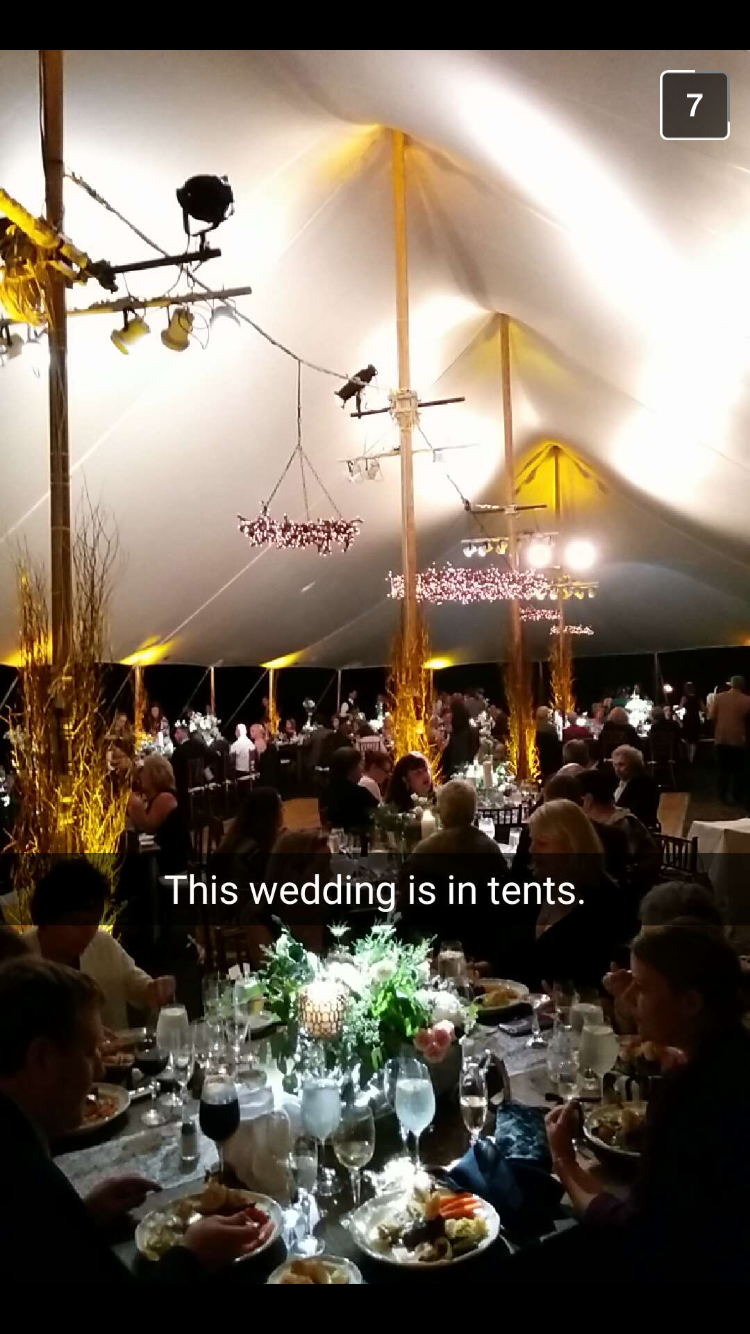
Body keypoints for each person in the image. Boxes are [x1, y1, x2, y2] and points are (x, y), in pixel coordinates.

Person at [0, 958, 271, 1286]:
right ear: (42, 1058)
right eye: (89, 1052)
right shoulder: (23, 1178)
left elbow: (44, 1250)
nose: (100, 1070)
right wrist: (191, 1256)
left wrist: (84, 1216)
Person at [545, 926, 750, 1281]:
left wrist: (564, 1160)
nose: (628, 995)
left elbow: (635, 1235)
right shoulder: (735, 1051)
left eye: (641, 986)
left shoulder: (688, 1094)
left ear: (690, 1003)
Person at [23, 859, 175, 1029]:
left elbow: (139, 985)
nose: (88, 932)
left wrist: (157, 989)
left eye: (94, 922)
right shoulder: (18, 958)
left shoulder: (102, 944)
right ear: (47, 918)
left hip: (116, 1046)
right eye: (77, 923)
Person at [398, 780, 518, 968]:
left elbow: (407, 909)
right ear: (474, 810)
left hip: (435, 949)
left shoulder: (425, 851)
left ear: (441, 811)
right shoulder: (490, 850)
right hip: (484, 946)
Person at [529, 799, 636, 991]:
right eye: (532, 841)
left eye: (542, 843)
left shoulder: (606, 904)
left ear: (572, 848)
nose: (531, 850)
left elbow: (600, 981)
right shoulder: (538, 887)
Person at [578, 766, 660, 890]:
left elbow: (621, 867)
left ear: (588, 800)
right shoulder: (601, 822)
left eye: (578, 800)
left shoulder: (621, 823)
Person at [127, 754, 191, 877]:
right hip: (163, 856)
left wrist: (134, 804)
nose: (139, 776)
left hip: (174, 862)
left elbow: (148, 827)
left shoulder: (165, 798)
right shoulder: (154, 798)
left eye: (142, 772)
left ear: (155, 775)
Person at [215, 787, 284, 893]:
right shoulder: (257, 853)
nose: (284, 811)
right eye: (280, 807)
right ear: (269, 815)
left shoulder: (235, 841)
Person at [708, 674, 750, 805]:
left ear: (731, 684)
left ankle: (723, 796)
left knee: (722, 770)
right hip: (739, 739)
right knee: (739, 770)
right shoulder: (747, 700)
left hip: (721, 738)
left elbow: (711, 716)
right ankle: (737, 795)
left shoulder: (719, 698)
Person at [320, 747, 378, 831]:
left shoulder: (325, 792)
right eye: (359, 765)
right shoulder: (359, 794)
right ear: (351, 770)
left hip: (334, 837)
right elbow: (380, 815)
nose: (361, 770)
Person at [611, 745, 660, 828]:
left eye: (621, 765)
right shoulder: (618, 780)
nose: (617, 769)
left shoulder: (644, 783)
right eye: (615, 765)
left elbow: (638, 813)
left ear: (634, 765)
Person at [170, 722, 215, 810]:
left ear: (183, 734)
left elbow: (173, 770)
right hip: (201, 782)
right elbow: (211, 756)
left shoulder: (178, 751)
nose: (175, 736)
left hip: (184, 786)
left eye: (177, 733)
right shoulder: (200, 746)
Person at [441, 697, 479, 777]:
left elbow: (454, 759)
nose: (449, 715)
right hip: (469, 770)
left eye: (451, 712)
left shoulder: (457, 735)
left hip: (456, 773)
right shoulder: (470, 730)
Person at [534, 706, 563, 781]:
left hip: (536, 759)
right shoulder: (550, 729)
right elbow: (556, 745)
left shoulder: (533, 727)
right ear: (546, 716)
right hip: (550, 760)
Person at [679, 681, 702, 764]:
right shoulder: (698, 698)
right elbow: (703, 708)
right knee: (694, 740)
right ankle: (692, 758)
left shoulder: (684, 697)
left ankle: (689, 757)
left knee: (687, 739)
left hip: (688, 720)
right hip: (696, 719)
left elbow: (680, 707)